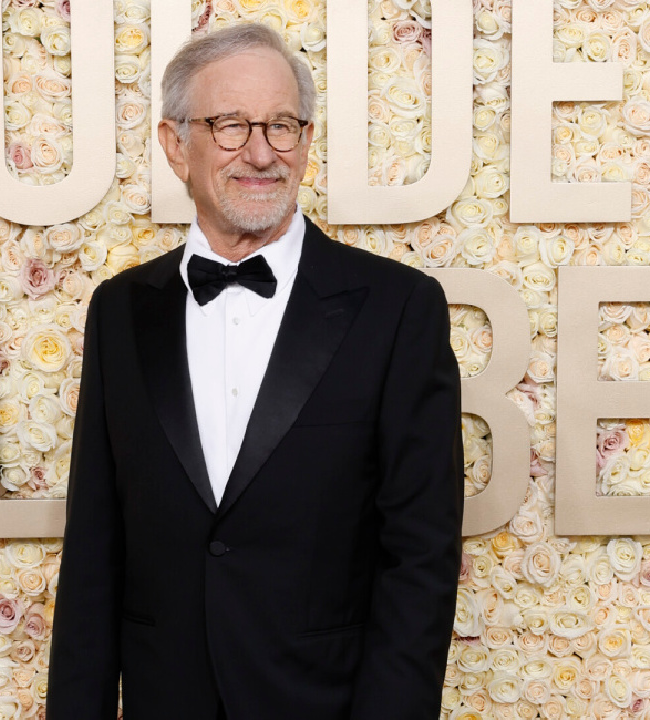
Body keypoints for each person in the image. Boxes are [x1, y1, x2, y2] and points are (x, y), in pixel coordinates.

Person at [45, 22, 464, 720]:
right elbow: (95, 549)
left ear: (305, 141)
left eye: (282, 126)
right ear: (176, 145)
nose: (262, 153)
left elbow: (420, 558)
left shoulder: (398, 308)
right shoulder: (119, 311)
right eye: (231, 126)